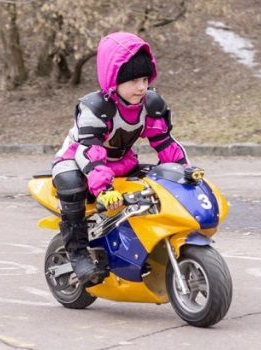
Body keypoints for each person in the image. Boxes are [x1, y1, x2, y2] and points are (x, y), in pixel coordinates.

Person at [52, 32, 189, 283]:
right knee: (72, 186)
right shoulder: (96, 108)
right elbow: (90, 152)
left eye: (145, 79)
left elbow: (164, 142)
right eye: (134, 80)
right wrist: (104, 189)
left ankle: (140, 244)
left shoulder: (150, 104)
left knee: (156, 183)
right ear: (114, 80)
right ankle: (78, 254)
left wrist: (183, 171)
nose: (141, 87)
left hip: (119, 161)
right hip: (77, 160)